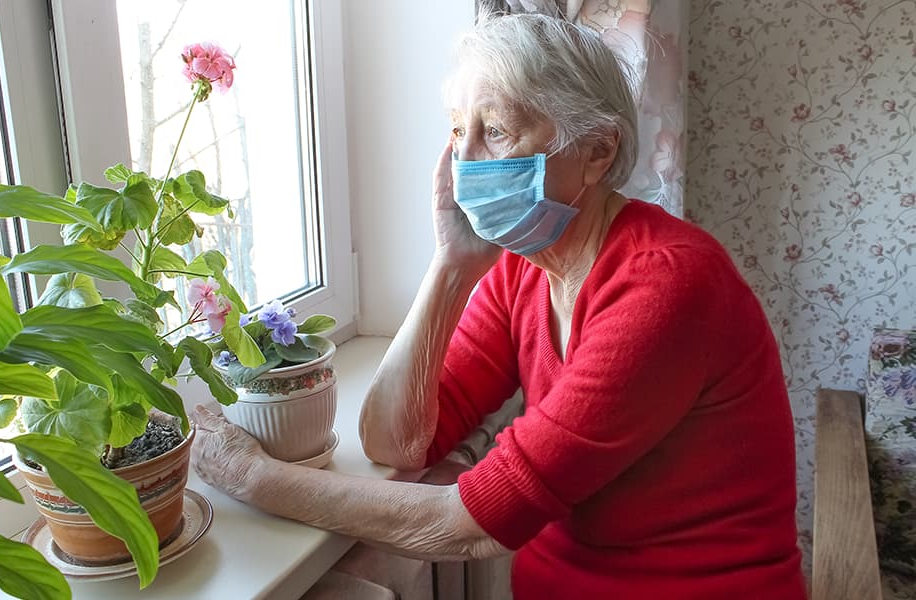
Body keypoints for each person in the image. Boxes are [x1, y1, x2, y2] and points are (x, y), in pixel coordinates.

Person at [191, 12, 806, 599]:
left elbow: (472, 525)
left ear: (596, 151)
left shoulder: (667, 283)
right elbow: (397, 443)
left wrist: (254, 478)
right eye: (459, 131)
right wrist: (451, 265)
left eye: (499, 132)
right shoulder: (524, 266)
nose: (465, 161)